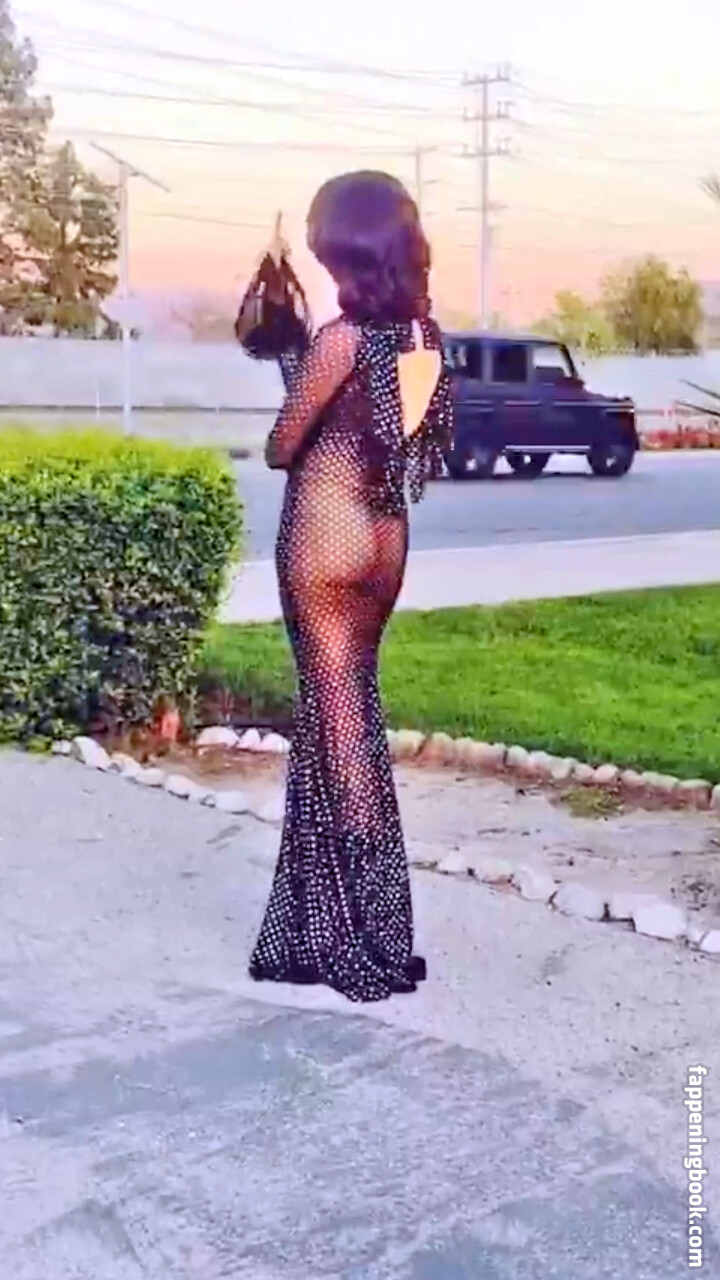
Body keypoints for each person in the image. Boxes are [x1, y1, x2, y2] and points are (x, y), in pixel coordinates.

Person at [247, 170, 453, 1002]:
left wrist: (293, 356)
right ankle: (320, 928)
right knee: (344, 714)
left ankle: (367, 940)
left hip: (325, 542)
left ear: (347, 248)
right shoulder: (423, 338)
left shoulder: (341, 339)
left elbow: (282, 445)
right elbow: (386, 431)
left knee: (342, 730)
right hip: (383, 538)